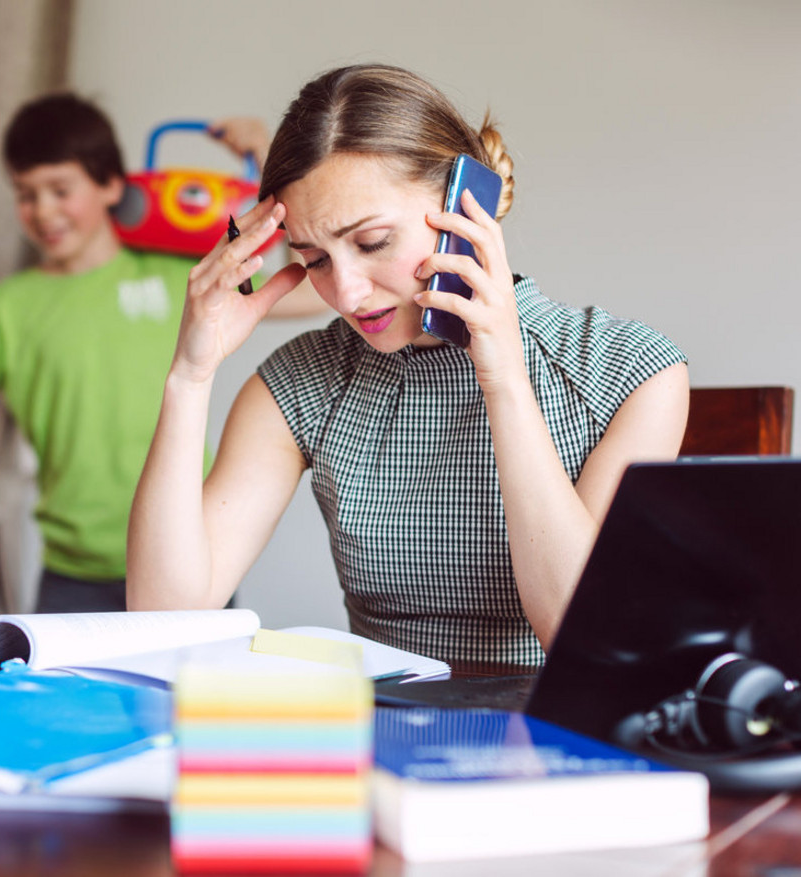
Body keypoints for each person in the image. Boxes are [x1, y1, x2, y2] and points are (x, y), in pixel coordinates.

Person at [126, 64, 689, 666]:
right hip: (382, 739)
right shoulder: (300, 382)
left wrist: (502, 378)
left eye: (371, 243)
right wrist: (190, 376)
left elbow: (579, 635)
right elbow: (164, 615)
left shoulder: (630, 371)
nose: (345, 293)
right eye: (315, 259)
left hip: (554, 738)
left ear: (468, 206)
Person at [0, 93, 323, 614]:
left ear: (111, 186)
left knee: (198, 700)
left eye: (60, 189)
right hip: (71, 580)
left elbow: (300, 290)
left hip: (190, 563)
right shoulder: (7, 308)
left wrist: (266, 160)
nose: (44, 210)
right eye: (26, 194)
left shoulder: (179, 276)